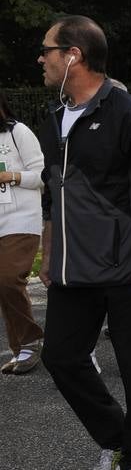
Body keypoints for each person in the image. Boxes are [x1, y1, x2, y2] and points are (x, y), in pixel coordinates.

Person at [36, 14, 131, 470]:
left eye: (47, 50)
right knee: (60, 357)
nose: (41, 59)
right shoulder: (55, 120)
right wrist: (48, 252)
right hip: (73, 269)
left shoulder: (127, 112)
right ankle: (116, 440)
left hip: (127, 265)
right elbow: (51, 195)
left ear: (72, 55)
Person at [0, 93, 45, 375]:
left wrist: (11, 176)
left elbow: (43, 177)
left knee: (7, 279)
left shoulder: (18, 132)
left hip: (20, 219)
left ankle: (30, 341)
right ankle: (22, 347)